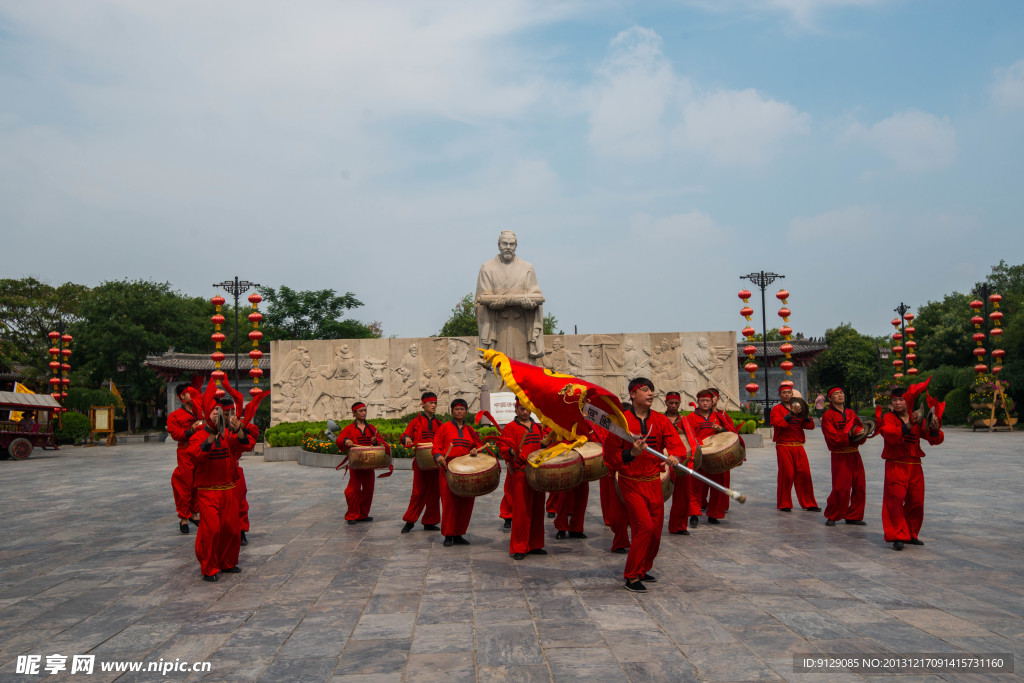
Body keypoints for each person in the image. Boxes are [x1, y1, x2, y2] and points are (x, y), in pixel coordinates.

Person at [602, 377, 684, 593]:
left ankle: (643, 568)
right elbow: (610, 457)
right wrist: (632, 453)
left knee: (656, 531)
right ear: (632, 394)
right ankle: (631, 576)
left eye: (652, 391)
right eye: (645, 390)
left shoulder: (660, 420)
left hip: (653, 482)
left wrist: (676, 455)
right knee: (644, 527)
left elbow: (677, 445)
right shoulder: (619, 423)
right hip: (631, 482)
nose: (650, 394)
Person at [187, 397, 249, 581]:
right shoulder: (198, 436)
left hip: (229, 489)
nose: (217, 413)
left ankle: (228, 562)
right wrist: (211, 436)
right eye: (213, 410)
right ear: (206, 413)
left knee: (231, 529)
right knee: (211, 530)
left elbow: (244, 445)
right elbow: (196, 455)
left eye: (219, 410)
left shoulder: (227, 435)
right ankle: (209, 567)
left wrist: (238, 429)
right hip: (208, 492)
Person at [879, 387, 943, 550]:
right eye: (895, 400)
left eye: (901, 399)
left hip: (914, 466)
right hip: (896, 465)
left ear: (908, 401)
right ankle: (898, 535)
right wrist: (909, 423)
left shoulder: (917, 418)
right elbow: (890, 435)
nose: (898, 402)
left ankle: (911, 533)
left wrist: (934, 429)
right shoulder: (888, 417)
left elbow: (932, 439)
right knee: (896, 499)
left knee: (917, 502)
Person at [474, 230, 546, 360]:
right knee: (498, 368)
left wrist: (530, 304)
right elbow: (481, 299)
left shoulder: (527, 268)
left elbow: (536, 295)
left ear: (516, 246)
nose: (508, 247)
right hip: (496, 327)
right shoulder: (487, 268)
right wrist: (494, 304)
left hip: (522, 326)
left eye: (511, 244)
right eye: (504, 244)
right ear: (498, 245)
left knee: (522, 367)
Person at [499, 400, 551, 559]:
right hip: (521, 472)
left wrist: (547, 445)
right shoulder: (510, 428)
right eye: (522, 409)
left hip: (538, 472)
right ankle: (520, 547)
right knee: (521, 512)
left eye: (528, 409)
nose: (525, 412)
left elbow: (545, 447)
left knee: (537, 510)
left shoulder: (538, 427)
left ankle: (535, 544)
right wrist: (510, 450)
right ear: (515, 409)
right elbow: (502, 447)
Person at [433, 398, 485, 546]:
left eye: (462, 409)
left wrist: (475, 451)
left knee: (466, 503)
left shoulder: (470, 430)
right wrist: (438, 456)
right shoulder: (444, 428)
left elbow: (479, 446)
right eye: (457, 409)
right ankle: (448, 535)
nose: (459, 412)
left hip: (467, 471)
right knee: (449, 503)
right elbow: (435, 446)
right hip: (448, 469)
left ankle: (459, 533)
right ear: (452, 411)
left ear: (466, 412)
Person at [684, 389, 734, 526]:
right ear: (698, 402)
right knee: (695, 487)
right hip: (699, 456)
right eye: (702, 401)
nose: (705, 403)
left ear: (712, 402)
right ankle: (694, 514)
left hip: (716, 457)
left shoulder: (720, 416)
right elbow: (688, 436)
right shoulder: (690, 418)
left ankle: (714, 514)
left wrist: (721, 429)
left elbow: (731, 433)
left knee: (717, 486)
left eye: (707, 401)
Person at [820, 387, 867, 527]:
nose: (840, 395)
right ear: (830, 398)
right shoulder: (828, 416)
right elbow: (831, 437)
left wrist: (861, 435)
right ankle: (832, 515)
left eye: (841, 393)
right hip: (840, 456)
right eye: (836, 394)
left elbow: (860, 430)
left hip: (854, 453)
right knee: (841, 488)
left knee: (860, 486)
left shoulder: (851, 413)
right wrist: (848, 435)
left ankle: (854, 515)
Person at [336, 402, 389, 524]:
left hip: (369, 463)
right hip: (356, 463)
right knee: (353, 490)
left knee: (368, 489)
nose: (364, 413)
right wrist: (345, 440)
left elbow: (379, 444)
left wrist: (375, 442)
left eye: (365, 410)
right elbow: (339, 440)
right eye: (361, 411)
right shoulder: (349, 429)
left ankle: (363, 514)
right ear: (354, 414)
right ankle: (352, 514)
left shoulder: (371, 428)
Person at [770, 384, 820, 513]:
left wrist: (805, 413)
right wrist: (791, 414)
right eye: (784, 393)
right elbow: (779, 424)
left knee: (805, 474)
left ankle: (809, 503)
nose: (787, 395)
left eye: (789, 392)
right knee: (787, 474)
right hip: (784, 445)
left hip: (798, 445)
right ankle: (784, 503)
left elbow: (810, 426)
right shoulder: (776, 409)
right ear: (779, 395)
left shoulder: (798, 408)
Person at [399, 392, 442, 533]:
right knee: (418, 492)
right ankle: (410, 521)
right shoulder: (415, 421)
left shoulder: (439, 423)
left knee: (435, 493)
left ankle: (430, 521)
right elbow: (405, 434)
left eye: (435, 403)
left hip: (436, 462)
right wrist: (406, 439)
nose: (433, 405)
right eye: (431, 403)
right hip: (421, 462)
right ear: (422, 404)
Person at [167, 385, 203, 534]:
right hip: (185, 451)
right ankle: (183, 517)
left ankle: (195, 514)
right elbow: (176, 435)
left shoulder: (200, 413)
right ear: (181, 397)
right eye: (189, 393)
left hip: (200, 450)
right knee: (185, 484)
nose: (192, 396)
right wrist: (192, 430)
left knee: (198, 483)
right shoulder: (174, 416)